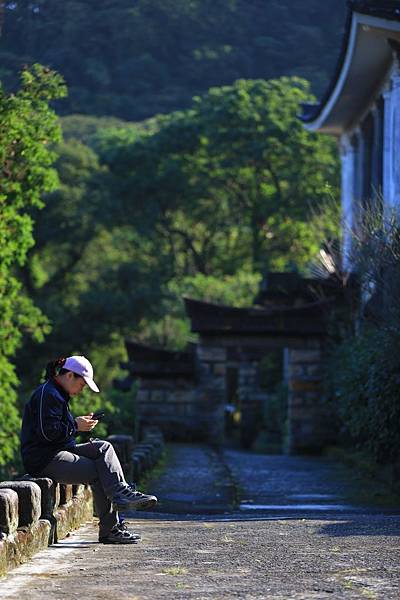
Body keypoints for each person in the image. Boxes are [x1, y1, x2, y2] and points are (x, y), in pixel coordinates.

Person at [20, 355, 158, 544]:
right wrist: (75, 426)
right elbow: (47, 433)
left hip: (60, 451)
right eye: (82, 384)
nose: (82, 389)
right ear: (70, 375)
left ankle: (121, 493)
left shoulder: (57, 393)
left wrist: (77, 424)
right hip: (44, 459)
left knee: (104, 447)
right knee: (102, 472)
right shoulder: (48, 394)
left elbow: (56, 431)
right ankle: (110, 528)